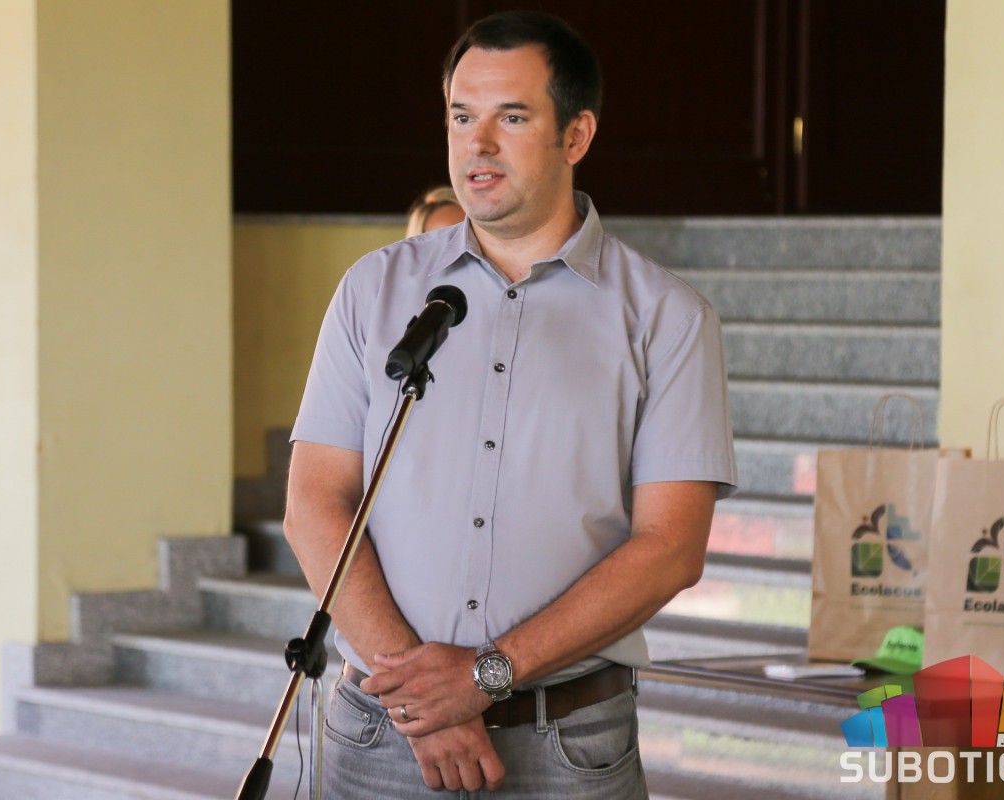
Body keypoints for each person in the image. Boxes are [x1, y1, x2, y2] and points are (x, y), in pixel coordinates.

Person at [285, 10, 737, 799]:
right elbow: (315, 506)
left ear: (576, 135)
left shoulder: (667, 318)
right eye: (462, 117)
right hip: (380, 734)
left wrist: (485, 676)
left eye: (513, 118)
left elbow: (670, 547)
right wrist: (424, 699)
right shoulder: (374, 290)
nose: (478, 144)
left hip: (568, 746)